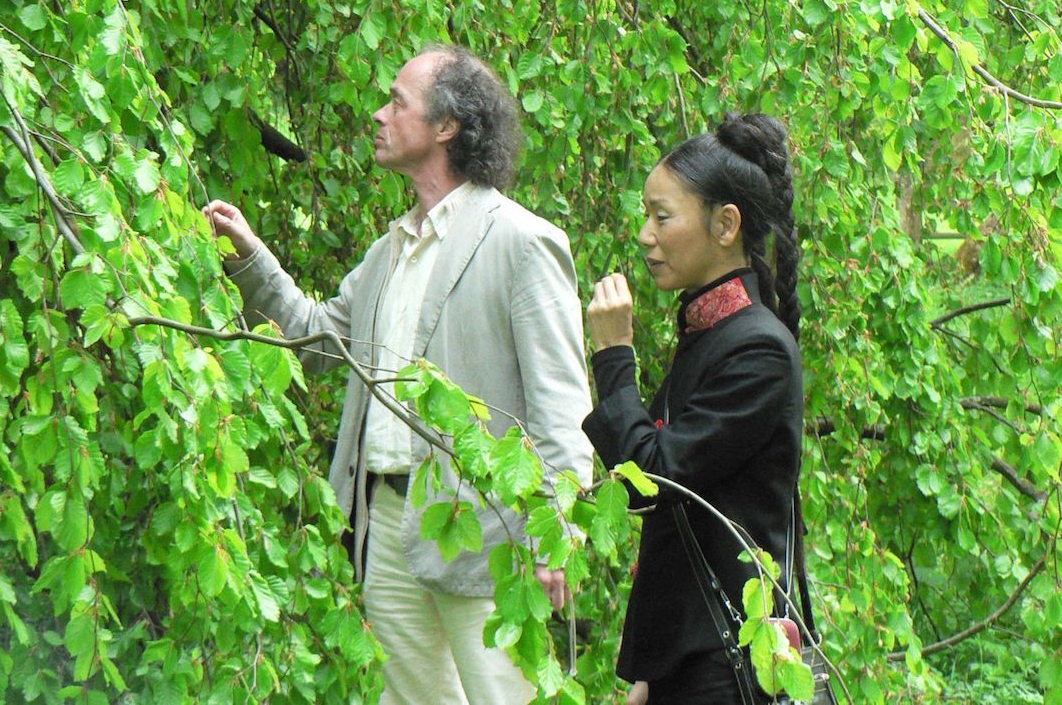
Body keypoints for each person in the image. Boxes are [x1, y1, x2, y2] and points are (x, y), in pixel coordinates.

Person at [204, 44, 593, 704]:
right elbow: (318, 341)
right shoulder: (391, 250)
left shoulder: (521, 242)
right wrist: (250, 256)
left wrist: (557, 532)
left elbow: (562, 407)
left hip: (487, 530)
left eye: (397, 102)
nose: (378, 115)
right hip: (384, 522)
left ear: (445, 127)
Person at [583, 113, 804, 704]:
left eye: (663, 216)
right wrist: (652, 672)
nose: (645, 235)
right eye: (645, 215)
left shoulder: (758, 349)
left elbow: (648, 480)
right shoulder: (709, 332)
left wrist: (613, 358)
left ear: (725, 224)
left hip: (723, 665)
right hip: (692, 657)